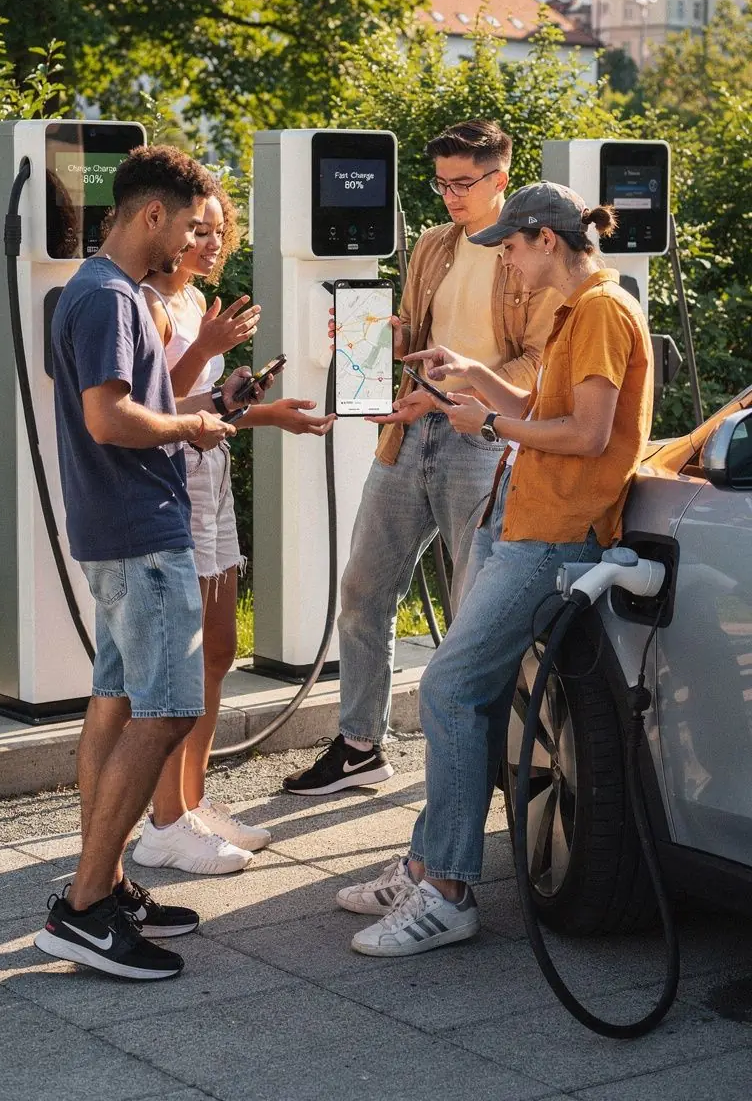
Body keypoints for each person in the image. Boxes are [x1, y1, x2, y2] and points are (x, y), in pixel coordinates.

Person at [340, 181, 654, 957]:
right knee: (467, 691)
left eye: (510, 247)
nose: (506, 262)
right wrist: (474, 377)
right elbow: (545, 409)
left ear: (548, 239)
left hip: (554, 535)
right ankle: (427, 865)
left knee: (450, 687)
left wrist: (489, 424)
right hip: (524, 520)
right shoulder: (581, 311)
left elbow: (586, 434)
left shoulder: (605, 312)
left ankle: (447, 891)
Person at [283, 120, 557, 799]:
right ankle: (359, 748)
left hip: (485, 439)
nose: (450, 197)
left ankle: (474, 758)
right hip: (413, 438)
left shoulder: (526, 252)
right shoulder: (433, 245)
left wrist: (453, 390)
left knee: (472, 615)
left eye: (463, 183)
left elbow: (538, 364)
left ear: (502, 177)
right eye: (440, 183)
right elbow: (415, 333)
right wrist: (374, 351)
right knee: (364, 589)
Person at [35, 145, 234, 982]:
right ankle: (83, 909)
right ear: (153, 214)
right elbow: (112, 420)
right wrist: (191, 429)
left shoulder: (84, 291)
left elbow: (133, 405)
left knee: (117, 703)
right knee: (164, 711)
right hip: (141, 532)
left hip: (115, 528)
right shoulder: (112, 297)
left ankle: (106, 886)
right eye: (190, 224)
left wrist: (214, 411)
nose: (193, 241)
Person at [134, 172, 336, 873]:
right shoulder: (150, 304)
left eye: (221, 230)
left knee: (218, 651)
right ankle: (163, 822)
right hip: (168, 491)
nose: (212, 242)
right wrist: (209, 352)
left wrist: (254, 408)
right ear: (169, 228)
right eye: (201, 229)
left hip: (210, 484)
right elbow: (147, 404)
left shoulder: (193, 301)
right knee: (178, 664)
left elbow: (202, 404)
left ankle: (190, 801)